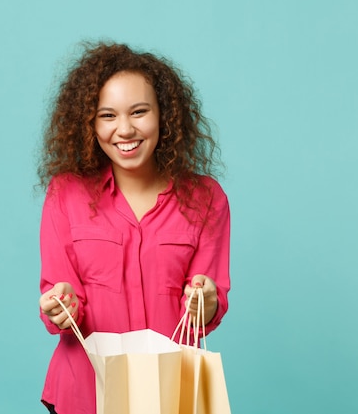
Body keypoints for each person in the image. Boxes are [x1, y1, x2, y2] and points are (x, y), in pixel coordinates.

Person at [36, 41, 231, 414]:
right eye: (107, 116)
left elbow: (207, 310)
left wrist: (205, 302)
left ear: (164, 116)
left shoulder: (207, 199)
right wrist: (60, 305)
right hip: (84, 393)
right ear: (89, 124)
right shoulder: (65, 194)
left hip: (170, 394)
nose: (124, 130)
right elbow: (58, 302)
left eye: (139, 112)